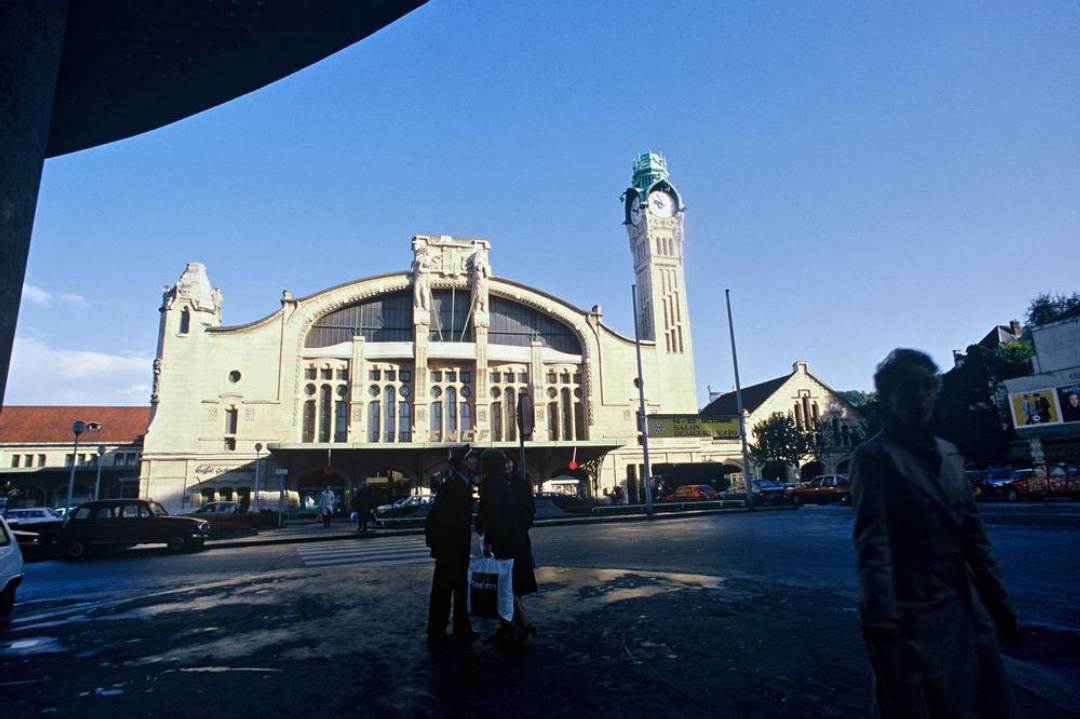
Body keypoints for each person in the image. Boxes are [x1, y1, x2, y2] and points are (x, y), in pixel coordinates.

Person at [850, 349, 1018, 719]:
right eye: (910, 387)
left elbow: (975, 539)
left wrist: (999, 603)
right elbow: (873, 547)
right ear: (887, 396)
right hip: (913, 620)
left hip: (967, 610)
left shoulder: (950, 452)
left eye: (929, 386)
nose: (922, 396)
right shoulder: (873, 456)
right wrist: (882, 626)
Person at [477, 449, 538, 644]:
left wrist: (488, 542)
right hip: (514, 537)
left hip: (503, 539)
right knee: (511, 583)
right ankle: (516, 623)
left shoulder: (490, 484)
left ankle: (523, 623)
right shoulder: (504, 482)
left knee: (506, 584)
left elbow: (493, 516)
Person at [425, 445, 480, 644]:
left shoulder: (462, 484)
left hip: (456, 547)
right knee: (444, 589)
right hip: (450, 548)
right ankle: (437, 630)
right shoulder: (452, 486)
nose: (475, 461)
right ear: (462, 463)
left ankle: (460, 628)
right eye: (471, 458)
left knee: (458, 588)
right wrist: (442, 545)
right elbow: (442, 518)